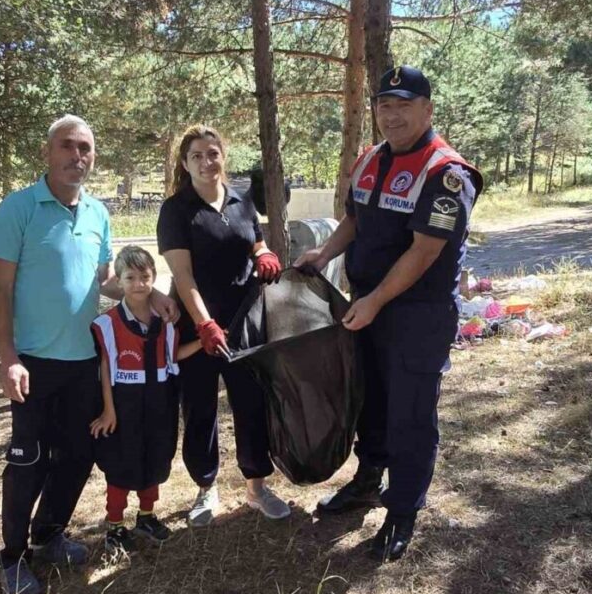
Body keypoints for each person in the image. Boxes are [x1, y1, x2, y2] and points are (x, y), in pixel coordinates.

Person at [295, 66, 483, 562]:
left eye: (403, 104)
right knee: (370, 403)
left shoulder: (445, 172)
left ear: (427, 109)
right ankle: (366, 482)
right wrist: (323, 254)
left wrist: (375, 301)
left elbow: (424, 253)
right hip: (366, 307)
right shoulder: (370, 160)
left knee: (410, 414)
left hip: (416, 316)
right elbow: (355, 219)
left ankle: (402, 510)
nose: (391, 114)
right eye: (384, 104)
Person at [0, 115, 178, 594]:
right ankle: (12, 557)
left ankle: (49, 534)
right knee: (27, 460)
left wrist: (148, 295)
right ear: (48, 153)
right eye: (68, 147)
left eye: (86, 149)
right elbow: (0, 290)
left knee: (78, 455)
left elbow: (105, 282)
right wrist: (8, 358)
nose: (78, 156)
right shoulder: (18, 209)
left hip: (85, 362)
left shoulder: (97, 213)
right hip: (33, 361)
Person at [156, 124, 288, 527]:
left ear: (222, 157)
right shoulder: (177, 210)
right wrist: (205, 326)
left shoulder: (240, 201)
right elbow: (183, 277)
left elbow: (255, 240)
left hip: (245, 319)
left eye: (212, 153)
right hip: (199, 325)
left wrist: (264, 254)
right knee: (200, 407)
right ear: (184, 163)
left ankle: (256, 487)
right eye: (196, 155)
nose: (206, 161)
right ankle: (205, 487)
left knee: (251, 401)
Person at [89, 245, 201, 553]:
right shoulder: (106, 324)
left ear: (153, 278)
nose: (139, 284)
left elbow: (172, 356)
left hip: (159, 402)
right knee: (121, 464)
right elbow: (105, 367)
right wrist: (109, 410)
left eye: (145, 276)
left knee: (155, 458)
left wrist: (202, 343)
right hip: (123, 406)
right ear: (119, 282)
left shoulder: (166, 323)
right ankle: (114, 525)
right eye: (130, 277)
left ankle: (147, 516)